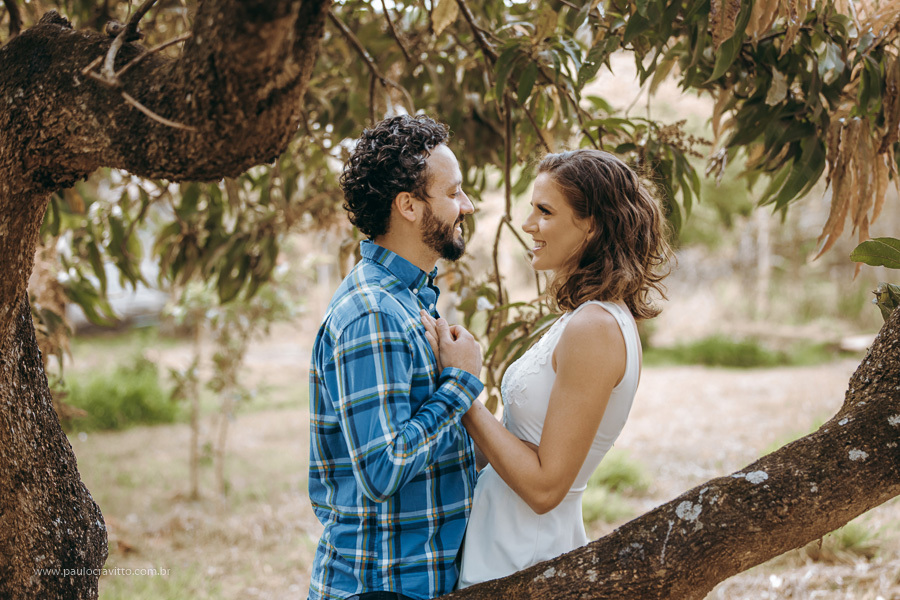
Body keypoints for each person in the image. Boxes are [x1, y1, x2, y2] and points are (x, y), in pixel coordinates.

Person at [422, 149, 672, 587]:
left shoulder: (595, 328)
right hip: (500, 545)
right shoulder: (583, 318)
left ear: (592, 224)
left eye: (545, 211)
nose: (528, 224)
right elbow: (520, 440)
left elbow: (545, 488)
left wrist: (462, 390)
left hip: (523, 562)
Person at [307, 114, 485, 600]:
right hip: (381, 587)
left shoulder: (409, 299)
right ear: (408, 205)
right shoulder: (374, 313)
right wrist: (460, 384)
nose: (467, 205)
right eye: (454, 192)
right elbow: (382, 469)